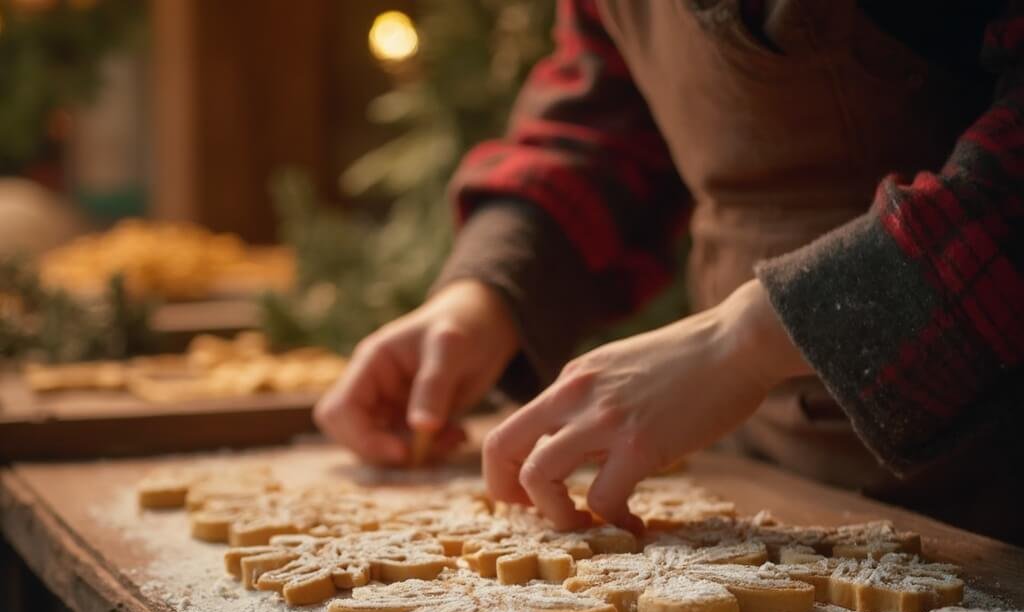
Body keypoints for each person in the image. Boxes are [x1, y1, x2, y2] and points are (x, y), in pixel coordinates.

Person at [316, 0, 1024, 545]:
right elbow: (606, 118)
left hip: (992, 485)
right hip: (764, 477)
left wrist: (745, 341)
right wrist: (489, 290)